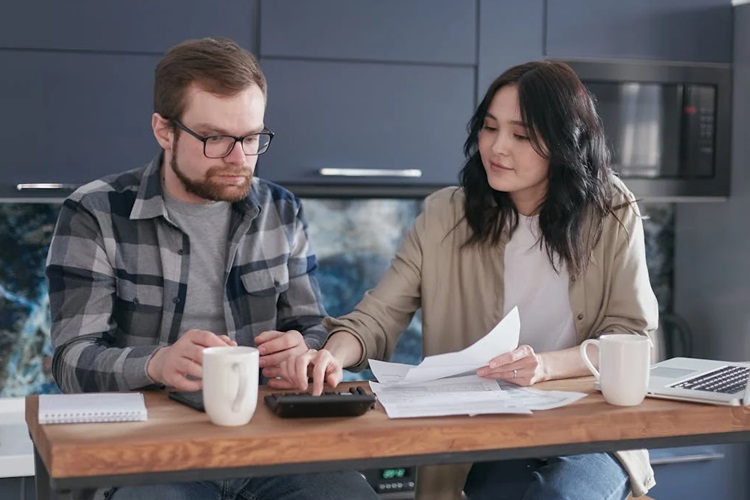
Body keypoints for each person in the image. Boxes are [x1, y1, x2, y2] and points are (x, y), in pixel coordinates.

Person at [275, 60, 660, 500]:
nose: (496, 147)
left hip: (589, 426)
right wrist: (332, 355)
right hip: (485, 433)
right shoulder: (445, 215)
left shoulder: (610, 210)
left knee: (560, 495)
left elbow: (633, 337)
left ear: (563, 143)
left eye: (520, 136)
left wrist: (547, 366)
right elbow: (377, 317)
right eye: (489, 128)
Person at [45, 37, 379, 500]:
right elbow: (70, 362)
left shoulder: (280, 210)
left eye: (251, 137)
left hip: (272, 446)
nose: (239, 158)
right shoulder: (95, 213)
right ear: (165, 131)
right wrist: (157, 363)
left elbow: (311, 326)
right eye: (215, 138)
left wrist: (303, 350)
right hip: (150, 453)